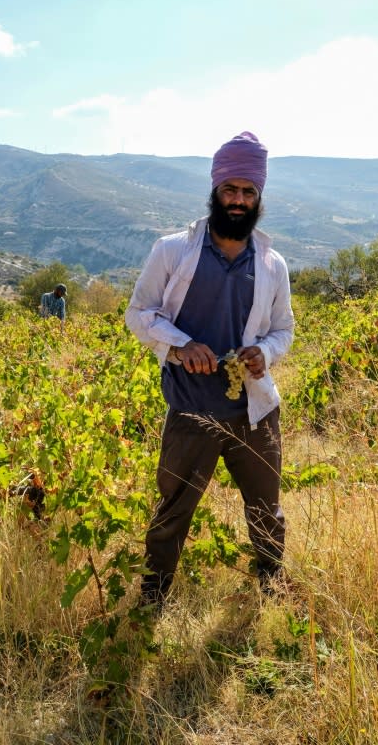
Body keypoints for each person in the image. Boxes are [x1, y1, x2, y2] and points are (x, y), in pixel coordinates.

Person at [125, 131, 294, 609]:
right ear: (215, 190)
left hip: (254, 412)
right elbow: (138, 314)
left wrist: (265, 352)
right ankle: (153, 599)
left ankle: (271, 589)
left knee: (266, 507)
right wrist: (180, 347)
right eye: (230, 190)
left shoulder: (271, 263)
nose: (238, 201)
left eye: (248, 192)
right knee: (174, 510)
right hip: (191, 409)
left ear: (259, 197)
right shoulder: (173, 251)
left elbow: (284, 328)